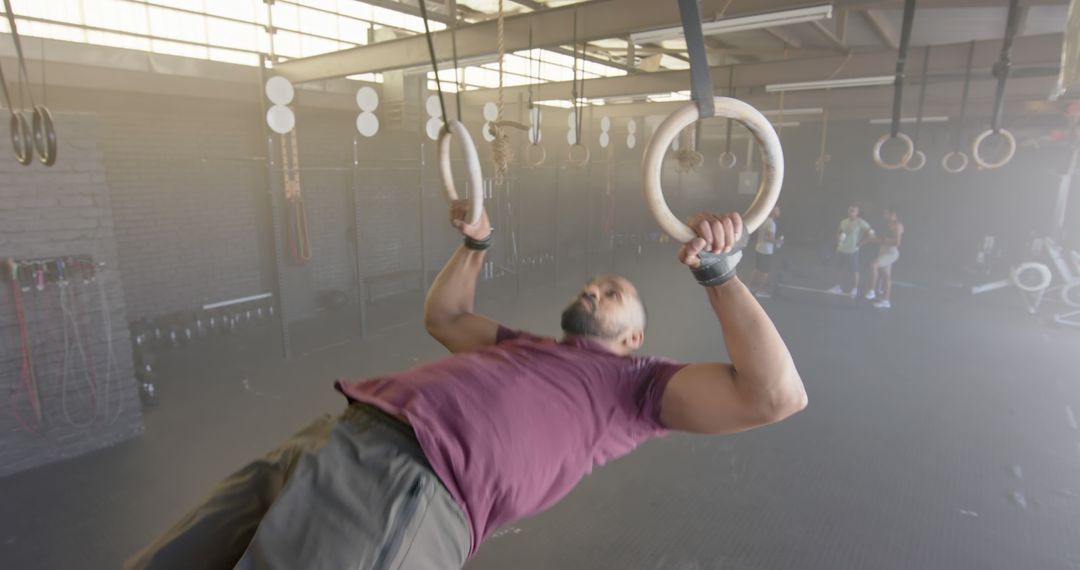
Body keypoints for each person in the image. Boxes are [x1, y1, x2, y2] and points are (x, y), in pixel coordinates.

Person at [124, 203, 807, 570]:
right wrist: (475, 244)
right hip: (332, 441)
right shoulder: (527, 346)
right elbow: (444, 317)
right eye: (591, 284)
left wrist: (719, 274)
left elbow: (774, 397)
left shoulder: (637, 389)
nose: (594, 288)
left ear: (633, 337)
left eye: (613, 292)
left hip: (411, 488)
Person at [827, 205, 875, 297]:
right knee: (839, 268)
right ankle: (838, 287)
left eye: (853, 211)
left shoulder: (861, 222)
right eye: (850, 210)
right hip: (841, 249)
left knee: (854, 270)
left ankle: (854, 289)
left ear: (857, 212)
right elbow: (839, 232)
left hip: (853, 251)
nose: (851, 212)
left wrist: (860, 245)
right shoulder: (844, 221)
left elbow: (871, 234)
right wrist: (839, 238)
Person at [865, 207, 904, 309]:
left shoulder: (897, 226)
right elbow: (881, 240)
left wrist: (881, 239)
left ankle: (871, 290)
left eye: (886, 213)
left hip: (891, 253)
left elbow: (897, 243)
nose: (884, 215)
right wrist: (873, 239)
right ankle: (886, 301)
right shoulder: (887, 225)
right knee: (887, 277)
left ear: (892, 214)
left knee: (873, 265)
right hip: (883, 250)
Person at [749, 205, 783, 298]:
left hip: (759, 248)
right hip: (766, 250)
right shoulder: (771, 223)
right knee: (765, 272)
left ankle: (750, 287)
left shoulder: (763, 220)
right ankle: (759, 291)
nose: (779, 211)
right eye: (777, 210)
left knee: (757, 268)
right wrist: (778, 241)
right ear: (773, 212)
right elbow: (770, 238)